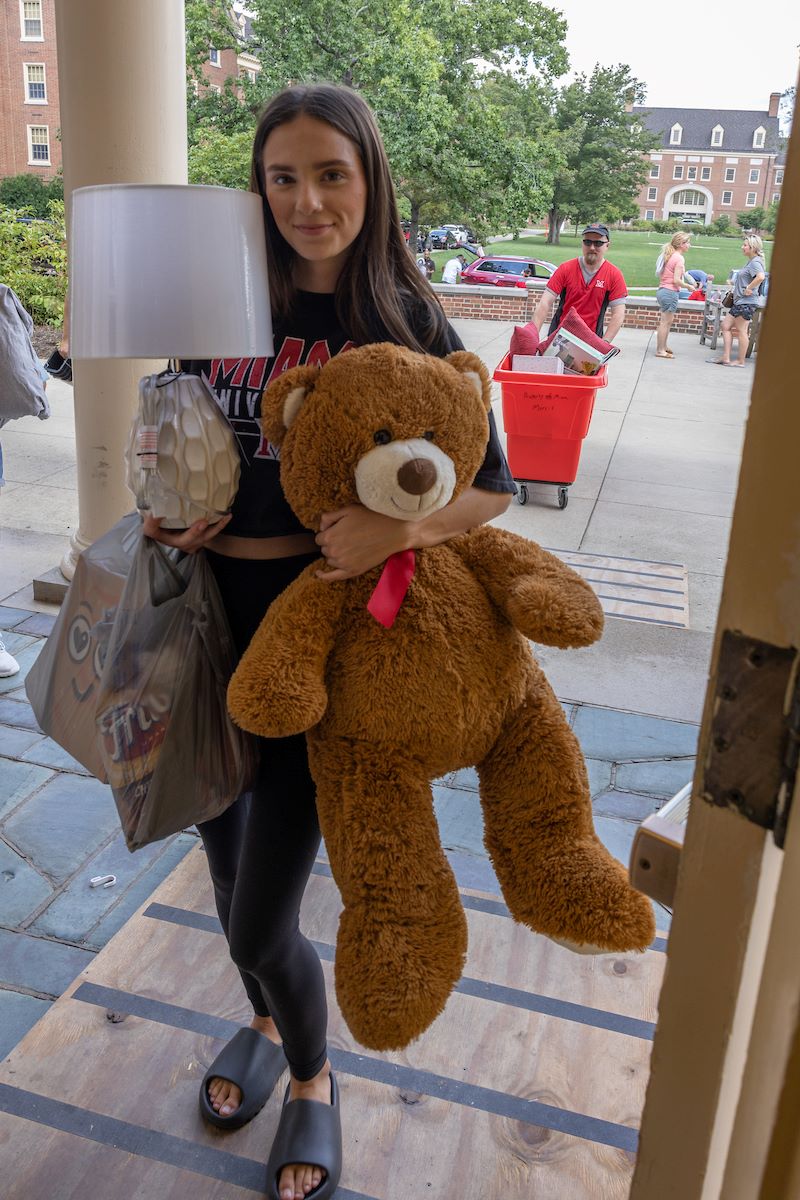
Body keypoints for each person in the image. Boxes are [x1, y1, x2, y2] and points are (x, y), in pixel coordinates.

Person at [142, 83, 514, 1200]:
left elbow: (489, 491)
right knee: (220, 868)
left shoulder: (406, 320)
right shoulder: (221, 304)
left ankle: (310, 1076)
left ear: (369, 180)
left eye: (330, 174)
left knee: (264, 912)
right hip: (209, 634)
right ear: (258, 190)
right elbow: (178, 434)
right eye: (283, 178)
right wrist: (170, 508)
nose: (307, 201)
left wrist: (404, 522)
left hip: (324, 662)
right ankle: (263, 1015)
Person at [532, 223, 627, 341]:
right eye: (587, 242)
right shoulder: (566, 269)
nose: (592, 247)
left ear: (607, 245)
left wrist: (604, 344)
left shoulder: (614, 275)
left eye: (598, 243)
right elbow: (544, 303)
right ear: (582, 244)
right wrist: (533, 336)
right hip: (559, 338)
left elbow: (618, 314)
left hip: (591, 342)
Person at [709, 234, 767, 368]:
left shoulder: (756, 262)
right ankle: (726, 357)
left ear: (753, 247)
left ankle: (741, 361)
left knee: (742, 330)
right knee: (725, 326)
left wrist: (749, 288)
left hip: (746, 302)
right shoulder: (751, 261)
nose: (743, 247)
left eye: (745, 245)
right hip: (739, 302)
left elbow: (761, 277)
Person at [654, 233, 695, 359]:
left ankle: (664, 346)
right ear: (681, 244)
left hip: (663, 291)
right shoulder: (679, 258)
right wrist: (688, 286)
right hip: (670, 292)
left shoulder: (669, 255)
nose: (689, 245)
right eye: (687, 243)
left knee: (667, 321)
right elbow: (676, 280)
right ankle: (660, 350)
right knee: (665, 322)